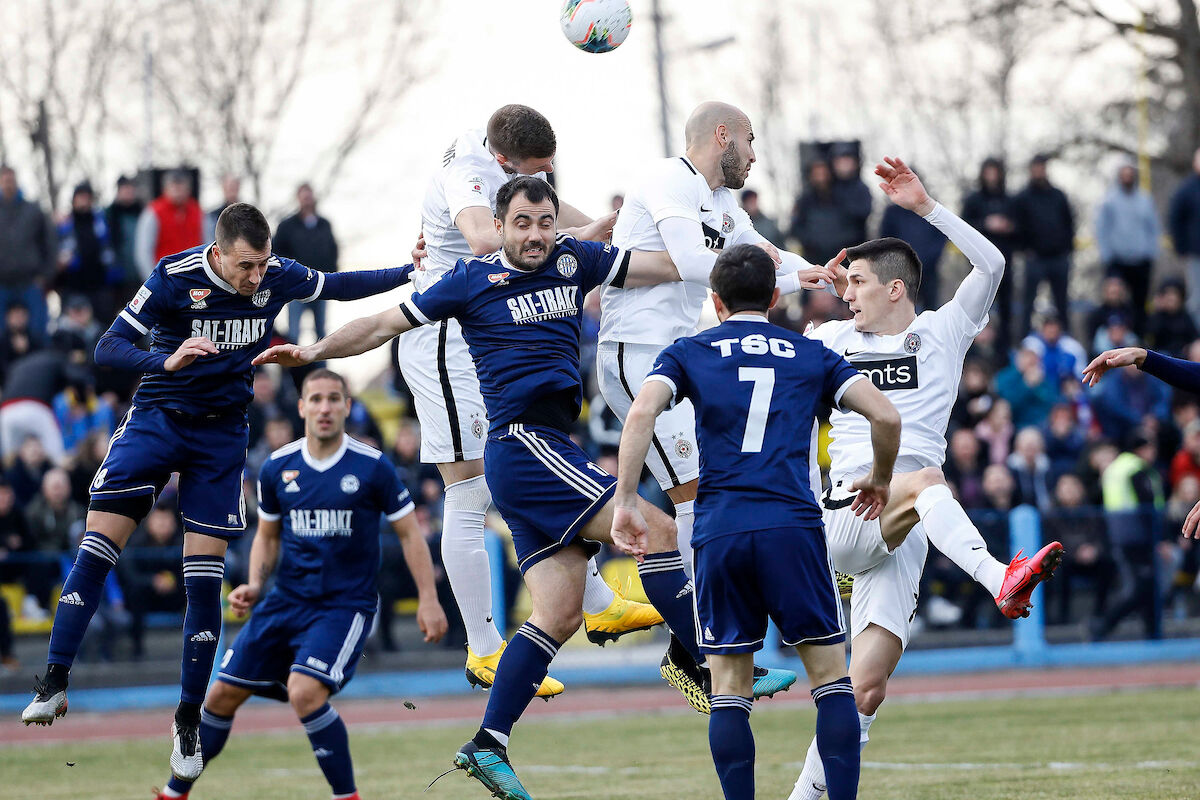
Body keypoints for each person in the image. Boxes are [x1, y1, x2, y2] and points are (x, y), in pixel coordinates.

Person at [256, 176, 725, 800]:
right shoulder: (470, 280)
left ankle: (488, 743)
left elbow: (663, 266)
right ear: (497, 227)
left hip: (546, 448)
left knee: (559, 612)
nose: (536, 234)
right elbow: (381, 324)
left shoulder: (573, 259)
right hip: (524, 446)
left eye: (545, 222)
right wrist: (315, 348)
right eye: (522, 223)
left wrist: (734, 249)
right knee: (657, 528)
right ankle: (709, 663)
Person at [20, 203, 414, 783]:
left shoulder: (277, 275)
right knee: (98, 545)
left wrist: (409, 270)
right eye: (246, 265)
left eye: (263, 264)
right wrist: (164, 359)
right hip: (158, 418)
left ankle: (187, 720)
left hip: (221, 434)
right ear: (219, 251)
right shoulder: (173, 276)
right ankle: (54, 680)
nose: (257, 276)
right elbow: (108, 348)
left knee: (203, 576)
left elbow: (339, 284)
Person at [789, 157, 1064, 800]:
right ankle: (999, 578)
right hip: (850, 509)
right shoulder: (829, 338)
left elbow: (993, 265)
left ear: (896, 289)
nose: (845, 291)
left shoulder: (941, 331)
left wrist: (927, 209)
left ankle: (805, 795)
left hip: (905, 530)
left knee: (865, 689)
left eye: (857, 282)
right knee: (924, 478)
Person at [615, 243, 902, 800]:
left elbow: (643, 410)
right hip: (791, 527)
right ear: (774, 297)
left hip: (720, 529)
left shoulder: (688, 351)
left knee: (728, 688)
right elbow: (886, 415)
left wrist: (627, 497)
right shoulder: (811, 354)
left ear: (716, 301)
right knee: (831, 681)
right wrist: (881, 477)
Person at [404, 104, 656, 696]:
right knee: (468, 490)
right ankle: (482, 647)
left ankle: (596, 601)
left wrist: (605, 226)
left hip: (475, 329)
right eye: (535, 170)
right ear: (501, 161)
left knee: (515, 473)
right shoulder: (470, 171)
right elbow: (483, 239)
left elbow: (541, 212)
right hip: (442, 335)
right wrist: (578, 237)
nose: (544, 180)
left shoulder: (500, 158)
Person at [599, 101, 837, 707]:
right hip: (636, 353)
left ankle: (701, 648)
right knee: (697, 494)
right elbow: (694, 264)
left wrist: (814, 272)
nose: (753, 155)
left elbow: (763, 255)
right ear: (722, 135)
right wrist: (781, 279)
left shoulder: (724, 203)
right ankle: (705, 650)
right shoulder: (667, 178)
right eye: (750, 141)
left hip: (679, 357)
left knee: (704, 493)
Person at [153, 368, 447, 800]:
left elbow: (409, 534)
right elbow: (268, 536)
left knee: (304, 692)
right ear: (302, 407)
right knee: (219, 696)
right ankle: (173, 793)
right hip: (285, 601)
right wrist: (255, 583)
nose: (325, 407)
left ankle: (347, 796)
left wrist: (429, 599)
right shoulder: (278, 467)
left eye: (333, 399)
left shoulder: (373, 467)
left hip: (343, 606)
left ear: (347, 407)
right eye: (316, 399)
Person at [1012, 154, 1075, 335]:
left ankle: (1065, 338)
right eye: (1036, 168)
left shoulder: (1058, 196)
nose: (1039, 171)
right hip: (1035, 258)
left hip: (1058, 257)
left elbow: (1069, 223)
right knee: (1028, 303)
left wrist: (1066, 249)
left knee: (1062, 303)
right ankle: (1024, 340)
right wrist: (1025, 250)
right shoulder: (1023, 198)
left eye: (1042, 167)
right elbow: (1017, 227)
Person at [962, 158, 1018, 352]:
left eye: (995, 172)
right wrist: (986, 224)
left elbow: (1022, 229)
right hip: (979, 266)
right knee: (975, 309)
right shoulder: (973, 200)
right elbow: (964, 227)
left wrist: (1009, 227)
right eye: (988, 172)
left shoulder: (1010, 201)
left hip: (1005, 265)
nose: (992, 177)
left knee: (1005, 311)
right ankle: (972, 353)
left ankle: (1003, 352)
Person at [1096, 162, 1159, 327]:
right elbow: (1102, 229)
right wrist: (1107, 255)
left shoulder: (1145, 200)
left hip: (1141, 260)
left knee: (1140, 303)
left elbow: (1153, 228)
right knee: (1115, 302)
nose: (1127, 178)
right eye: (1124, 175)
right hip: (1117, 260)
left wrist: (1151, 253)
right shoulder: (1109, 200)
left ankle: (1139, 337)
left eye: (1130, 175)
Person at [275, 183, 339, 345]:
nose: (307, 200)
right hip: (296, 286)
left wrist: (331, 276)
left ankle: (321, 361)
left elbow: (332, 250)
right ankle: (291, 362)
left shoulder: (324, 224)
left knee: (321, 332)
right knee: (294, 332)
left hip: (320, 285)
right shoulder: (287, 226)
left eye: (309, 196)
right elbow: (277, 252)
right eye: (304, 197)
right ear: (298, 199)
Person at [0, 165, 57, 340]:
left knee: (38, 330)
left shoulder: (33, 210)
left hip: (31, 280)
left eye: (11, 180)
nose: (8, 184)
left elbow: (50, 243)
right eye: (5, 180)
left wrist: (46, 275)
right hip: (2, 282)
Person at [135, 170, 203, 280]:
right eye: (174, 188)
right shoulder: (153, 213)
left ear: (188, 189)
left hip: (194, 279)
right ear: (165, 189)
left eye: (181, 188)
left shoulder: (199, 212)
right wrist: (154, 281)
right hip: (165, 279)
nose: (178, 192)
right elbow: (144, 252)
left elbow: (207, 245)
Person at [1167, 147, 1200, 325]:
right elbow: (1175, 218)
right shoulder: (1187, 189)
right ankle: (1197, 334)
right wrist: (1181, 247)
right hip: (1196, 253)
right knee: (1197, 298)